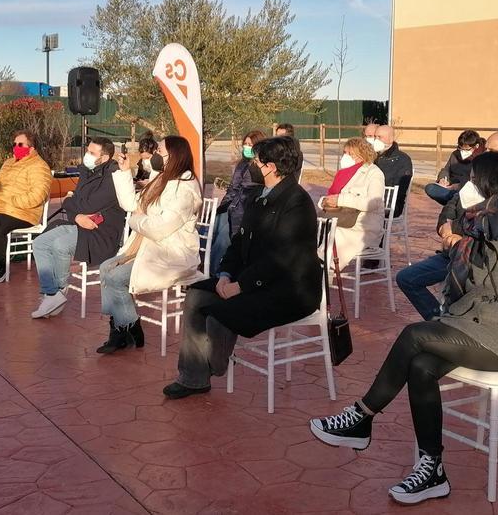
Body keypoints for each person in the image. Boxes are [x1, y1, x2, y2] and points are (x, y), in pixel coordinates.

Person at [309, 152, 498, 505]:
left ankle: (361, 417)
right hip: (481, 327)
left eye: (476, 180)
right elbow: (479, 287)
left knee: (414, 334)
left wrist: (495, 319)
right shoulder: (490, 223)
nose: (468, 187)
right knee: (421, 366)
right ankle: (432, 468)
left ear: (494, 186)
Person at [163, 136, 322, 399]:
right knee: (196, 295)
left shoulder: (297, 202)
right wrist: (225, 275)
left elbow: (280, 258)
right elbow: (239, 242)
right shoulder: (258, 197)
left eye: (257, 161)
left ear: (271, 167)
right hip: (252, 279)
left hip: (289, 290)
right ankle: (193, 378)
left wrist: (241, 286)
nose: (253, 165)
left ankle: (213, 363)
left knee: (219, 313)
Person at [396, 131, 498, 320]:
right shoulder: (476, 175)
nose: (485, 153)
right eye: (485, 148)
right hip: (452, 251)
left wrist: (460, 237)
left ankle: (452, 324)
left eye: (493, 151)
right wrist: (445, 228)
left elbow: (496, 232)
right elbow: (451, 206)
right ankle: (439, 322)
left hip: (478, 259)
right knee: (406, 278)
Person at [96, 135, 203, 353]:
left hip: (170, 253)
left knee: (115, 277)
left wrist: (135, 220)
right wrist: (125, 172)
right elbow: (130, 204)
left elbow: (160, 227)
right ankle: (127, 325)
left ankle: (124, 328)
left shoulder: (185, 187)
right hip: (147, 245)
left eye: (160, 152)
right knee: (105, 268)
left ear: (173, 156)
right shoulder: (161, 179)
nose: (155, 155)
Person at [29, 137, 125, 318]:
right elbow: (75, 204)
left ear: (104, 158)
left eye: (91, 152)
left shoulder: (112, 176)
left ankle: (60, 290)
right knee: (40, 242)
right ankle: (52, 293)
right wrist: (76, 211)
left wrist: (72, 202)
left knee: (60, 245)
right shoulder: (88, 172)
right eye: (87, 150)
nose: (86, 155)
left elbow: (87, 205)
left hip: (100, 231)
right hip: (80, 223)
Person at [0, 130, 52, 282]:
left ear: (31, 148)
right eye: (14, 144)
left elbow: (37, 196)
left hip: (23, 212)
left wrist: (11, 201)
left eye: (20, 144)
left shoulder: (40, 167)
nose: (16, 147)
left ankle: (0, 267)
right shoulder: (8, 163)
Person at [318, 138, 386, 272]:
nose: (345, 156)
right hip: (343, 219)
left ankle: (325, 271)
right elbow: (332, 195)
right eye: (344, 152)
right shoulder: (344, 174)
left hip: (364, 225)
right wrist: (325, 201)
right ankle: (318, 270)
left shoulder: (374, 173)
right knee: (316, 228)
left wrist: (340, 200)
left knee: (331, 234)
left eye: (349, 153)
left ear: (361, 155)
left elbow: (373, 202)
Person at [211, 130, 267, 275]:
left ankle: (214, 272)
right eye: (245, 144)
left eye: (250, 144)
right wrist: (224, 206)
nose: (247, 147)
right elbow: (233, 187)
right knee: (213, 232)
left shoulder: (261, 166)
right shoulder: (241, 164)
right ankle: (207, 268)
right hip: (231, 205)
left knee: (224, 239)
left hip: (244, 209)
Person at [425, 130, 483, 205]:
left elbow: (480, 182)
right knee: (430, 188)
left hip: (469, 192)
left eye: (466, 150)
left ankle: (455, 201)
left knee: (461, 197)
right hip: (449, 189)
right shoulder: (455, 154)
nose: (462, 152)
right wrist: (442, 179)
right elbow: (446, 170)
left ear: (476, 146)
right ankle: (454, 201)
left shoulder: (482, 159)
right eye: (460, 148)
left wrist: (459, 186)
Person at [373, 124, 413, 218]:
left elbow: (400, 189)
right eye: (375, 137)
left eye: (380, 137)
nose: (376, 140)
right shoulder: (372, 156)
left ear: (391, 139)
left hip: (390, 204)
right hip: (372, 200)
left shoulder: (402, 159)